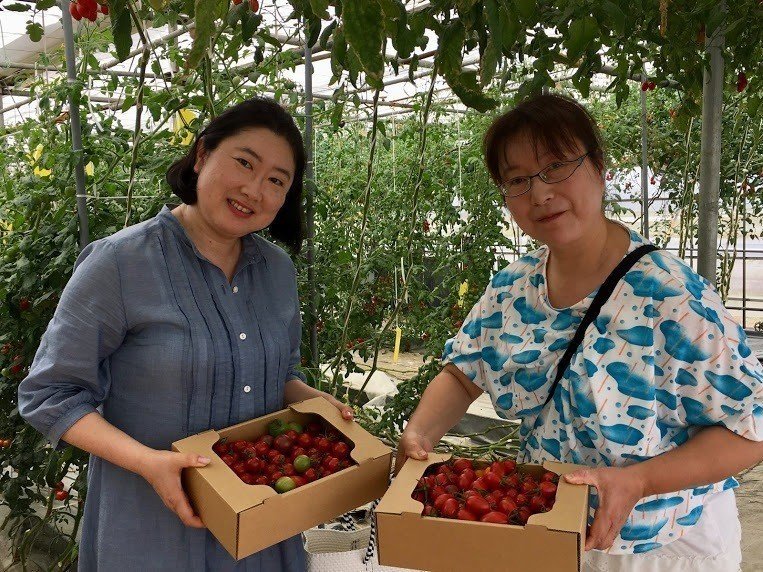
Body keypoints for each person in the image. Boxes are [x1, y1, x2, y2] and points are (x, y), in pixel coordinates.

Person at [396, 93, 763, 572]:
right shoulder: (513, 287)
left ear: (600, 167)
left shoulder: (669, 296)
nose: (540, 193)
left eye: (556, 167)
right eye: (518, 179)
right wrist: (419, 433)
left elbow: (750, 429)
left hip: (661, 548)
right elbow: (466, 371)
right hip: (553, 527)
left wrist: (640, 481)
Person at [18, 97, 353, 572]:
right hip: (151, 531)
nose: (254, 190)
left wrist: (312, 402)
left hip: (260, 527)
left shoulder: (277, 271)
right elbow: (49, 394)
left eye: (276, 181)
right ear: (201, 157)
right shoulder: (120, 262)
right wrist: (147, 462)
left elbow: (279, 374)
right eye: (244, 163)